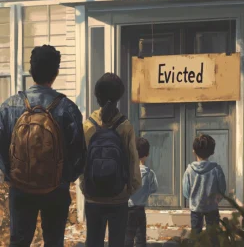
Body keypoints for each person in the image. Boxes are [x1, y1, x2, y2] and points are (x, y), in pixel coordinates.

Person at [0, 45, 86, 247]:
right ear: (56, 73)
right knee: (54, 242)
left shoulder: (9, 106)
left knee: (19, 242)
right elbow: (80, 154)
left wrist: (11, 175)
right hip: (55, 189)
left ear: (30, 72)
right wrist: (64, 178)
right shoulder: (67, 108)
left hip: (21, 187)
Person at [80, 72, 142, 247]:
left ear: (97, 96)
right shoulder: (125, 126)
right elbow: (133, 161)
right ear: (118, 98)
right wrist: (130, 188)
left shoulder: (88, 125)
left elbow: (82, 161)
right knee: (117, 242)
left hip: (93, 196)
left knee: (93, 241)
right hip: (119, 196)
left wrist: (84, 187)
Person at [183, 134, 226, 246]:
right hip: (212, 207)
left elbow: (186, 191)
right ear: (212, 152)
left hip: (195, 208)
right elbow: (222, 189)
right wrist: (216, 200)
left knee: (196, 236)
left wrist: (193, 199)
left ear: (194, 151)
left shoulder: (189, 169)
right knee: (213, 237)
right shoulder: (216, 169)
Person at [125, 137, 158, 247]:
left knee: (127, 238)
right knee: (140, 238)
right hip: (140, 210)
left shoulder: (128, 172)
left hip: (128, 210)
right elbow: (154, 188)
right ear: (147, 154)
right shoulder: (150, 173)